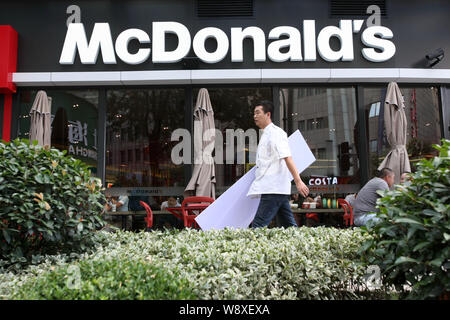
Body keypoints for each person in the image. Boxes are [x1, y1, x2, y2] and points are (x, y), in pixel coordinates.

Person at [247, 101, 309, 228]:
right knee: (289, 226)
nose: (255, 116)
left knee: (258, 226)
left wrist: (298, 181)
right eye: (254, 113)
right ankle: (302, 245)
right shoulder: (266, 134)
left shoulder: (276, 133)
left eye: (258, 113)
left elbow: (287, 157)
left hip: (273, 188)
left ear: (268, 114)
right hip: (275, 188)